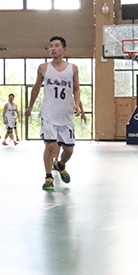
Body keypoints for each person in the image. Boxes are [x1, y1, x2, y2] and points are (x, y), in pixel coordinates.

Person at [26, 36, 87, 191]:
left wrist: (77, 105)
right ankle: (48, 177)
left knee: (69, 150)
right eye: (50, 46)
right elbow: (36, 88)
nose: (53, 48)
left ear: (63, 49)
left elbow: (76, 89)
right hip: (49, 114)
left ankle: (60, 165)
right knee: (51, 145)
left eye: (56, 46)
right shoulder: (43, 68)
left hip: (65, 115)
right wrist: (30, 107)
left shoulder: (73, 68)